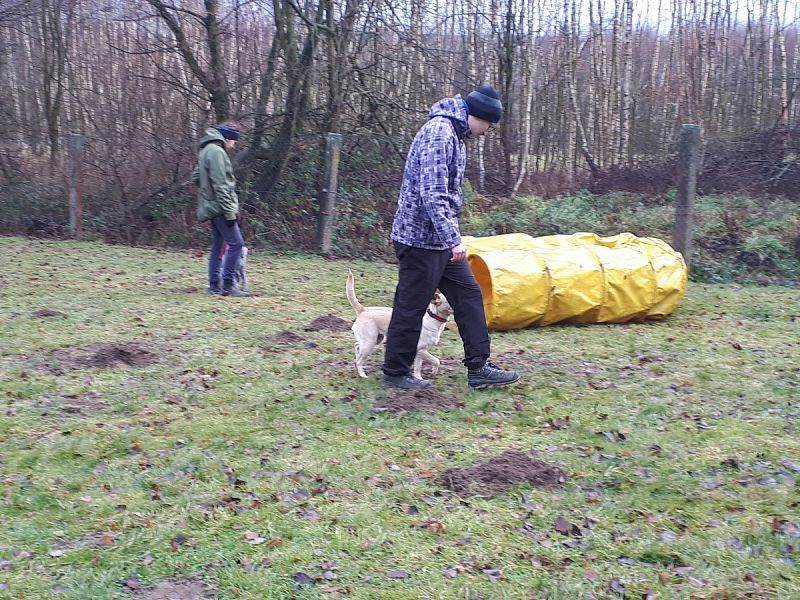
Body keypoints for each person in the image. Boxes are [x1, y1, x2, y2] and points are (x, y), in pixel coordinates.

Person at [382, 85, 520, 390]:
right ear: (477, 116)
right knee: (411, 304)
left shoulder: (455, 136)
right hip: (418, 238)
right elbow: (432, 193)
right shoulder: (439, 133)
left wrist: (449, 237)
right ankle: (395, 373)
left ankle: (479, 367)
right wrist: (453, 239)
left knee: (469, 294)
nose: (488, 131)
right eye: (489, 124)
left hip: (437, 240)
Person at [192, 121, 250, 297]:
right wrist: (229, 211)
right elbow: (221, 185)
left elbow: (196, 177)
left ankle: (214, 285)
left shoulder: (206, 150)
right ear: (228, 137)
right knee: (236, 244)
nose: (235, 144)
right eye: (234, 140)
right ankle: (228, 285)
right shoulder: (217, 152)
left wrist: (207, 194)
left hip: (212, 206)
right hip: (220, 207)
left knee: (218, 245)